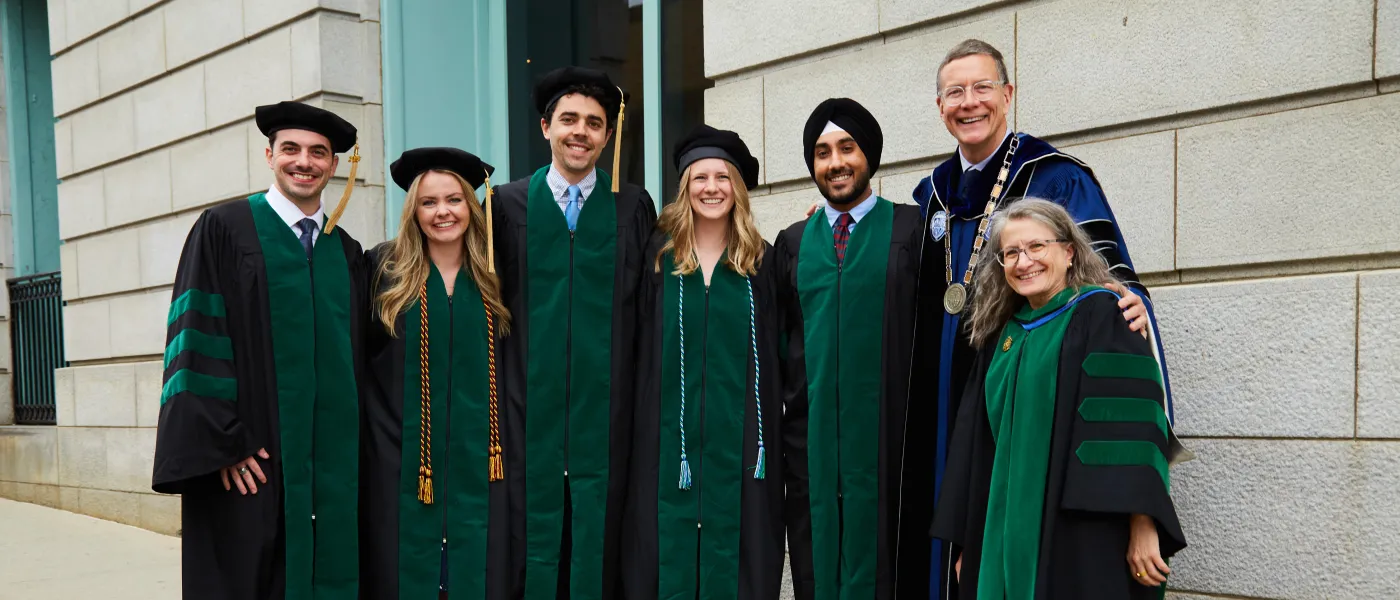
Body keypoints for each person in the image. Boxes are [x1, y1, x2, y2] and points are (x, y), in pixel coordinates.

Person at [913, 39, 1178, 599]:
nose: (969, 102)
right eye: (955, 92)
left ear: (1007, 95)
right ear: (939, 107)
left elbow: (1107, 277)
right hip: (962, 393)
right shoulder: (931, 193)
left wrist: (1128, 304)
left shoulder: (1056, 177)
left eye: (982, 88)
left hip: (1048, 387)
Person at [151, 101, 367, 599]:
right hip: (252, 459)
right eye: (291, 149)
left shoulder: (346, 253)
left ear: (333, 165)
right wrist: (224, 442)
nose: (304, 162)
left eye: (318, 152)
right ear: (269, 155)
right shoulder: (225, 230)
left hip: (328, 466)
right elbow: (193, 344)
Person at [930, 199, 1186, 599]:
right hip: (999, 536)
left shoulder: (1103, 315)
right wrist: (967, 543)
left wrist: (1143, 524)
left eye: (1036, 247)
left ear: (1068, 252)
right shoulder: (1001, 335)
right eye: (1010, 253)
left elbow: (1129, 428)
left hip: (1076, 533)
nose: (1023, 261)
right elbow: (973, 447)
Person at [490, 66, 657, 600]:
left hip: (608, 425)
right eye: (568, 119)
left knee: (599, 552)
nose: (580, 131)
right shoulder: (505, 206)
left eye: (594, 122)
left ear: (608, 135)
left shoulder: (632, 207)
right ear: (545, 128)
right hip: (525, 424)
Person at [774, 98, 933, 600]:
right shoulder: (793, 242)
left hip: (893, 443)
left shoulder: (913, 230)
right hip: (813, 446)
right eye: (822, 152)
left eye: (847, 147)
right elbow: (779, 344)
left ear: (870, 154)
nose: (836, 162)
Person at [623, 125, 785, 600]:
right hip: (665, 452)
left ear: (738, 188)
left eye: (723, 177)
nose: (711, 188)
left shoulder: (764, 264)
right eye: (700, 177)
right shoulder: (654, 259)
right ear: (684, 187)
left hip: (742, 456)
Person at [360, 148, 511, 600]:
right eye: (429, 202)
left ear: (471, 205)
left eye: (454, 200)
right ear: (413, 210)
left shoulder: (497, 273)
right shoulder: (381, 271)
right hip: (401, 466)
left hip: (483, 470)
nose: (443, 212)